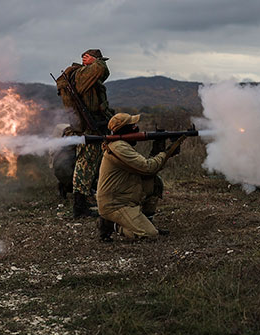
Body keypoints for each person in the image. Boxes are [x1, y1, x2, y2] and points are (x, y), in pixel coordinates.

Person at [96, 113, 181, 242]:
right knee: (149, 235)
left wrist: (158, 148)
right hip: (115, 204)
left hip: (124, 197)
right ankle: (111, 225)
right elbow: (148, 167)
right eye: (133, 126)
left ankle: (147, 222)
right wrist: (167, 152)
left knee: (154, 182)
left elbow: (146, 171)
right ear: (124, 130)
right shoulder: (119, 147)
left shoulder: (121, 144)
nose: (136, 128)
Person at [56, 49, 114, 218]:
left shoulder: (82, 74)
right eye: (91, 58)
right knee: (86, 165)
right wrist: (98, 61)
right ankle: (80, 207)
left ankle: (85, 199)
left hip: (90, 126)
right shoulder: (82, 73)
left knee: (90, 164)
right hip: (89, 128)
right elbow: (102, 69)